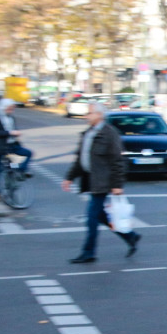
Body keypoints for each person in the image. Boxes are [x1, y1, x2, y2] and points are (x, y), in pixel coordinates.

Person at [62, 100, 140, 263]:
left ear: (99, 115)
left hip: (103, 182)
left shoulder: (110, 134)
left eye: (89, 113)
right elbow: (80, 159)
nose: (86, 116)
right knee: (102, 216)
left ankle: (89, 252)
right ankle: (130, 237)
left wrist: (117, 185)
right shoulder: (87, 133)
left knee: (91, 218)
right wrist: (69, 177)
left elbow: (118, 161)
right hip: (91, 180)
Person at [0, 99, 33, 201]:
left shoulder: (11, 118)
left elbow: (13, 131)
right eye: (10, 108)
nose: (11, 110)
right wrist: (10, 133)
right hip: (1, 148)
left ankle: (20, 170)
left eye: (13, 108)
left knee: (28, 153)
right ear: (4, 107)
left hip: (12, 145)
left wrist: (15, 135)